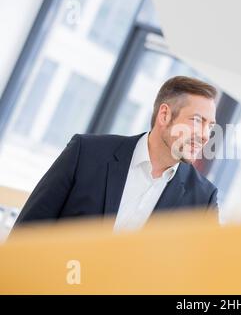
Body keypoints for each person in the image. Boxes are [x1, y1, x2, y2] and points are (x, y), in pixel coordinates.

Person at [13, 76, 219, 232]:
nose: (204, 135)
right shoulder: (86, 153)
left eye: (210, 126)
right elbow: (28, 232)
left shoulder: (203, 199)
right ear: (164, 115)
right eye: (197, 120)